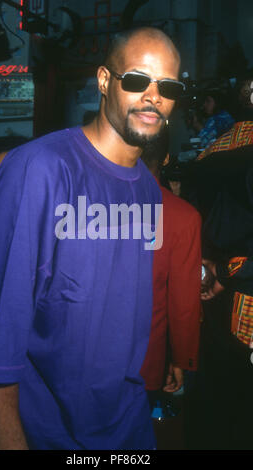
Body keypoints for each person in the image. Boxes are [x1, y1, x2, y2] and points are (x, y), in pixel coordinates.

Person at [0, 27, 184, 450]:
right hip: (47, 432)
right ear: (104, 81)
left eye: (168, 86)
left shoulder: (145, 188)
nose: (153, 96)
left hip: (125, 426)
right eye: (137, 80)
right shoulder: (38, 171)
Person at [183, 74, 253, 449]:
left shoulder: (208, 153)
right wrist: (227, 271)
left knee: (219, 398)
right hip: (240, 290)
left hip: (208, 289)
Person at [140, 127, 201, 405]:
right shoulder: (182, 216)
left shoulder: (87, 209)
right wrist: (182, 357)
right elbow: (183, 302)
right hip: (147, 358)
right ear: (165, 158)